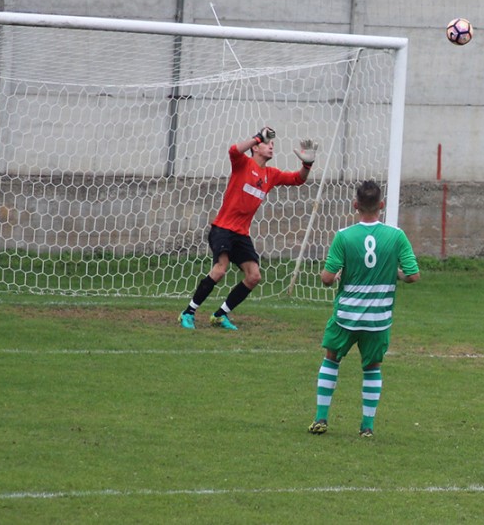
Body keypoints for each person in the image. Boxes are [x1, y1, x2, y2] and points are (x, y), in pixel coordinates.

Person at [308, 180, 420, 438]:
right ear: (381, 205)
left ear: (355, 205)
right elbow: (413, 275)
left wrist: (334, 277)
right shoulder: (396, 236)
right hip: (378, 319)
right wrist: (396, 273)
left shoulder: (344, 236)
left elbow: (326, 278)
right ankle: (367, 426)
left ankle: (321, 418)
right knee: (372, 368)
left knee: (331, 359)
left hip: (346, 316)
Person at [178, 127, 318, 331]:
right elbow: (234, 150)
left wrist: (308, 163)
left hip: (241, 234)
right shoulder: (243, 163)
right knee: (220, 269)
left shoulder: (271, 174)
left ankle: (219, 315)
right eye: (267, 143)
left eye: (273, 144)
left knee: (254, 276)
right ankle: (188, 313)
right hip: (222, 229)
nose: (271, 147)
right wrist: (257, 137)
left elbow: (298, 179)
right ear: (256, 148)